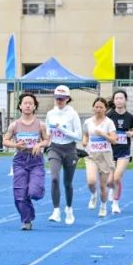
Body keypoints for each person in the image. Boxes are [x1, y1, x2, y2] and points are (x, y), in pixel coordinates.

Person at [2, 92, 49, 230]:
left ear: (34, 107)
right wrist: (15, 145)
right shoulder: (14, 125)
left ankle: (38, 190)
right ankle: (27, 220)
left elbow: (47, 140)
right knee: (19, 194)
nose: (28, 105)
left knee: (34, 192)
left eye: (30, 103)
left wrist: (39, 145)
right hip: (20, 160)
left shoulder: (40, 125)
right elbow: (5, 140)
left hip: (36, 160)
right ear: (20, 106)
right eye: (25, 103)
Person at [45, 85, 83, 225]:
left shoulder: (73, 114)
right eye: (57, 98)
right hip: (55, 148)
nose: (59, 101)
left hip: (70, 149)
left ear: (67, 99)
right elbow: (47, 132)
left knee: (67, 182)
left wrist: (62, 129)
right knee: (54, 178)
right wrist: (44, 140)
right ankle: (56, 210)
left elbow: (78, 136)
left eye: (62, 98)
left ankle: (69, 209)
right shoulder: (50, 114)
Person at [82, 97, 119, 218]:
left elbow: (114, 140)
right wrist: (84, 141)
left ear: (105, 109)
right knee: (91, 181)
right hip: (92, 155)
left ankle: (103, 205)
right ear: (93, 108)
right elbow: (85, 135)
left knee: (103, 186)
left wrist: (103, 134)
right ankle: (93, 195)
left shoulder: (109, 123)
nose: (98, 109)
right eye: (96, 107)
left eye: (101, 107)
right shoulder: (88, 122)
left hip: (105, 156)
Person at [106, 89, 133, 214]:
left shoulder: (130, 117)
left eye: (121, 98)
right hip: (110, 151)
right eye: (116, 98)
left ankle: (115, 203)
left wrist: (131, 134)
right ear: (114, 101)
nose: (119, 100)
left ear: (125, 100)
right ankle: (111, 188)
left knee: (117, 177)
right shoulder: (108, 116)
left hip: (124, 151)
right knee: (110, 181)